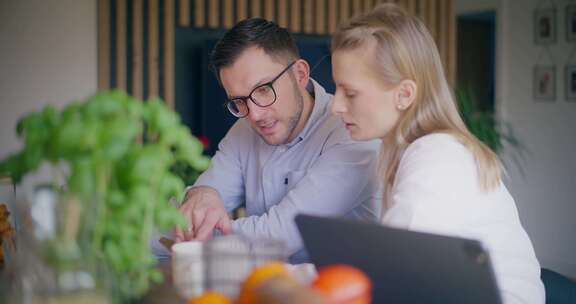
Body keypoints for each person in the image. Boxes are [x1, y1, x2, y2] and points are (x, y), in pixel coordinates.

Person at [329, 4, 544, 304]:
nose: (335, 106)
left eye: (350, 93)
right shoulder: (400, 151)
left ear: (404, 94)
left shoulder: (438, 158)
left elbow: (394, 272)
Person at [173, 18, 380, 264]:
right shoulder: (243, 130)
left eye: (263, 90)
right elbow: (192, 211)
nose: (254, 115)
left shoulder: (352, 131)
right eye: (238, 101)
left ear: (300, 74)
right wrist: (202, 192)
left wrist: (197, 233)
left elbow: (281, 235)